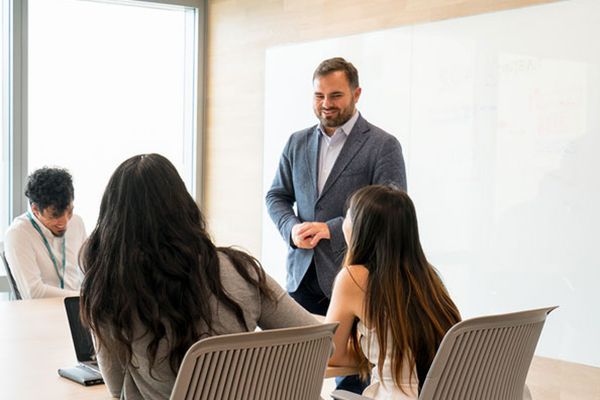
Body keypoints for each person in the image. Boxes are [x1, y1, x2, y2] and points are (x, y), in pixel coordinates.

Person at [80, 153, 318, 400]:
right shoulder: (242, 270)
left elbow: (116, 388)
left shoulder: (106, 287)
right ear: (184, 206)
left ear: (112, 221)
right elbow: (318, 342)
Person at [266, 57, 407, 315]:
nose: (326, 104)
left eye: (335, 95)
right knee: (300, 356)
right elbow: (277, 196)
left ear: (357, 94)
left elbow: (391, 214)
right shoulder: (296, 142)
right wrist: (291, 229)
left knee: (345, 356)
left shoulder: (383, 145)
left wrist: (332, 229)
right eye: (319, 96)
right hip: (301, 279)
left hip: (357, 280)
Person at [325, 185, 461, 399]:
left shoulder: (353, 277)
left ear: (363, 228)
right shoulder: (428, 277)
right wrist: (386, 354)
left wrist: (378, 356)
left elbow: (330, 352)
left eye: (349, 214)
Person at [4, 167, 86, 299]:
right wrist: (81, 297)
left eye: (69, 211)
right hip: (41, 315)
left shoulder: (77, 223)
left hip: (78, 310)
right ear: (35, 209)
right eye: (55, 215)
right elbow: (34, 293)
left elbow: (87, 271)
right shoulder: (18, 234)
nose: (64, 221)